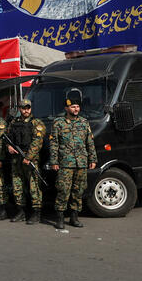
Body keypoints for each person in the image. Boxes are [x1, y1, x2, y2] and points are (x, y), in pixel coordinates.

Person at [49, 89, 97, 230]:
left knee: (79, 190)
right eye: (73, 107)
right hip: (65, 163)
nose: (76, 109)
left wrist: (92, 159)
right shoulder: (58, 123)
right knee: (63, 190)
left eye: (77, 107)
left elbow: (90, 142)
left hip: (81, 162)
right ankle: (60, 218)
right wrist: (54, 161)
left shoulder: (84, 122)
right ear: (66, 108)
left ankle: (74, 217)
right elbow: (54, 144)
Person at [5, 98, 47, 224]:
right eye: (23, 108)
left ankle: (36, 213)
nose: (26, 110)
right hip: (16, 160)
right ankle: (21, 211)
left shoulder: (37, 123)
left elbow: (37, 142)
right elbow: (7, 137)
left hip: (30, 160)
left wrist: (28, 157)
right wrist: (9, 147)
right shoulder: (14, 122)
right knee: (17, 186)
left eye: (28, 108)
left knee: (34, 186)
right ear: (19, 109)